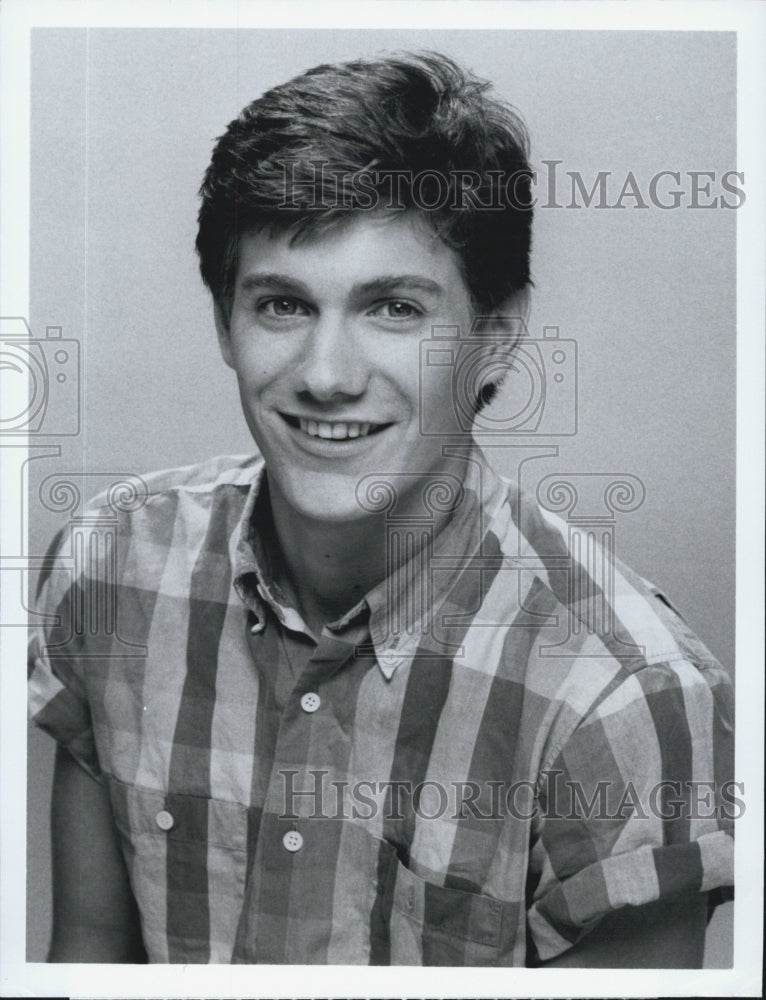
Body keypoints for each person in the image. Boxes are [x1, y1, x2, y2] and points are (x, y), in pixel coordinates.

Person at [28, 51, 734, 966]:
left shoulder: (626, 699)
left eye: (395, 308)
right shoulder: (109, 568)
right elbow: (89, 960)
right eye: (281, 304)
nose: (326, 376)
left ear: (498, 337)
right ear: (223, 323)